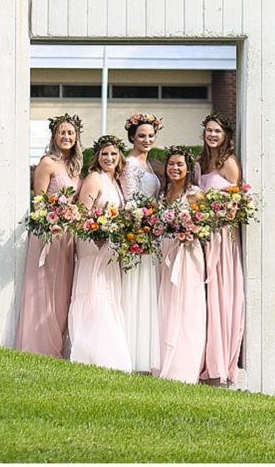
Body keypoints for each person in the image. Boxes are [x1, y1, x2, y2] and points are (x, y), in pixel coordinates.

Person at [14, 114, 82, 358]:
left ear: (76, 138)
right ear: (54, 136)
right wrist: (55, 220)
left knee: (62, 293)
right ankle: (37, 347)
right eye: (62, 132)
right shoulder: (48, 163)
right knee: (43, 290)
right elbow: (39, 202)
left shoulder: (75, 169)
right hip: (48, 235)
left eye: (70, 133)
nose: (66, 137)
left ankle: (57, 347)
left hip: (67, 238)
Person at [67, 134, 133, 371]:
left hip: (110, 250)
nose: (109, 157)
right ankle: (90, 352)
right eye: (105, 153)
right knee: (94, 295)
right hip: (93, 247)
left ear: (119, 157)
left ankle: (110, 353)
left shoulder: (114, 182)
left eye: (113, 154)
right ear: (97, 156)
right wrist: (98, 231)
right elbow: (82, 214)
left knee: (109, 296)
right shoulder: (95, 178)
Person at [196, 112, 244, 384]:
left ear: (226, 136)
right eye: (209, 131)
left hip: (223, 238)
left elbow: (236, 204)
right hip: (202, 236)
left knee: (220, 295)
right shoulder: (200, 163)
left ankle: (221, 360)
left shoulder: (229, 164)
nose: (212, 135)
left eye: (218, 131)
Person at [156, 146, 207, 384]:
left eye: (180, 165)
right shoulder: (162, 195)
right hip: (165, 253)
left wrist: (190, 233)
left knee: (187, 306)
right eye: (171, 164)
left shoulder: (195, 195)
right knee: (165, 305)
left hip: (187, 255)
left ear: (188, 169)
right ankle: (163, 359)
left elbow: (206, 226)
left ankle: (184, 367)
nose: (175, 168)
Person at [119, 114, 163, 373]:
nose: (147, 140)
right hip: (136, 235)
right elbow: (128, 200)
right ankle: (130, 353)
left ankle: (146, 354)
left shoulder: (150, 166)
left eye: (150, 136)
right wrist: (141, 226)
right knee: (134, 291)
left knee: (148, 292)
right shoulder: (129, 164)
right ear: (132, 138)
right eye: (142, 136)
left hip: (152, 235)